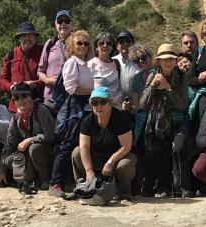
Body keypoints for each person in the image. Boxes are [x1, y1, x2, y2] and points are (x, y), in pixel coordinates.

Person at [138, 44, 190, 197]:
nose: (168, 62)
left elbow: (182, 104)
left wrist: (168, 88)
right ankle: (157, 187)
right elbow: (143, 104)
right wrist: (152, 86)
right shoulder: (152, 75)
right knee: (154, 149)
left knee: (179, 147)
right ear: (159, 61)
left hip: (177, 121)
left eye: (171, 59)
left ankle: (183, 188)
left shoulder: (182, 76)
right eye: (164, 59)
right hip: (157, 123)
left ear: (175, 61)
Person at [49, 30, 94, 196]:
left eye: (86, 43)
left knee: (79, 146)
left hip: (85, 108)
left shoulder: (86, 64)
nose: (83, 46)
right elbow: (71, 88)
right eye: (79, 43)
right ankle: (55, 183)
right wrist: (94, 91)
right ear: (71, 46)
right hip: (74, 109)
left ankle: (70, 182)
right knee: (67, 145)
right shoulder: (72, 63)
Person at [74, 85, 138, 200]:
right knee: (76, 152)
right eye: (95, 103)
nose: (99, 106)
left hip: (119, 157)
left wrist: (110, 162)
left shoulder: (121, 119)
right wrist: (89, 171)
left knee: (125, 165)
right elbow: (84, 147)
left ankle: (123, 193)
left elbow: (126, 146)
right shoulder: (87, 121)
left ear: (110, 102)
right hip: (97, 157)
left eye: (103, 102)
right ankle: (84, 187)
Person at [0, 82, 56, 194]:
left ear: (30, 97)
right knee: (8, 160)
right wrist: (2, 171)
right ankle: (30, 180)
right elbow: (8, 144)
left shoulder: (41, 111)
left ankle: (46, 180)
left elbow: (51, 135)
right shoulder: (16, 118)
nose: (21, 100)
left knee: (34, 148)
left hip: (49, 152)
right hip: (30, 155)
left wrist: (30, 140)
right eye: (16, 98)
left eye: (24, 96)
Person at [0, 22, 42, 112]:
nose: (27, 39)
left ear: (35, 37)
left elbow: (49, 77)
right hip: (15, 107)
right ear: (19, 38)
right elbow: (1, 80)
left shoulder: (43, 53)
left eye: (30, 35)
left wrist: (35, 83)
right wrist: (10, 87)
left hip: (37, 105)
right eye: (24, 36)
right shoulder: (11, 54)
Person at [38, 10, 75, 106]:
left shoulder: (80, 43)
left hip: (73, 98)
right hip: (51, 98)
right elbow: (40, 71)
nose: (63, 24)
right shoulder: (50, 43)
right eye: (60, 21)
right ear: (55, 24)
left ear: (72, 24)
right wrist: (47, 80)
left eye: (66, 21)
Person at [88, 32, 123, 103]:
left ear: (112, 47)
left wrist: (114, 100)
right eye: (101, 43)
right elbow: (88, 89)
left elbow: (119, 88)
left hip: (114, 105)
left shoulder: (116, 63)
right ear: (96, 47)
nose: (105, 45)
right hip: (98, 106)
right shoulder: (90, 65)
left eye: (109, 43)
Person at [114, 30, 140, 108]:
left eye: (128, 41)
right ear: (117, 46)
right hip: (115, 107)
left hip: (136, 107)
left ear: (133, 44)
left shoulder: (140, 62)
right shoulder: (111, 62)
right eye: (121, 42)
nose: (125, 44)